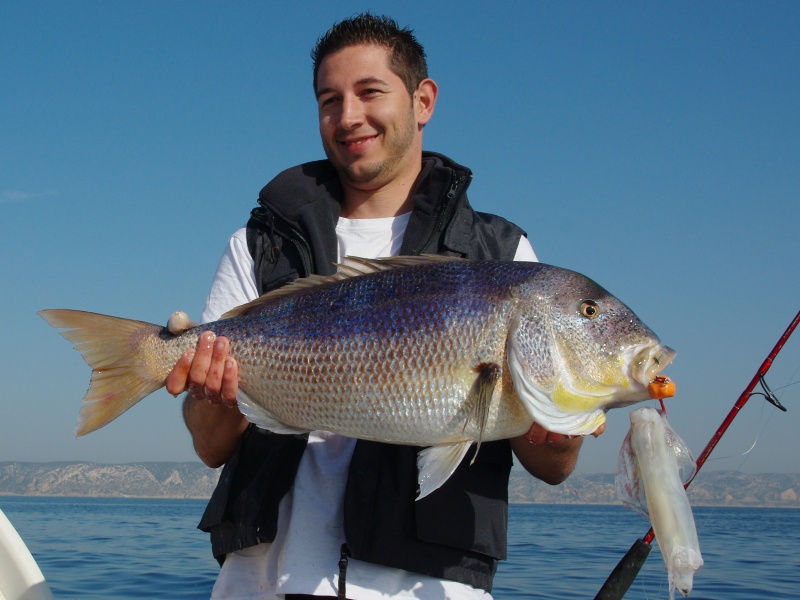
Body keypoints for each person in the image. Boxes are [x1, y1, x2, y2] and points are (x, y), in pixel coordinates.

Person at [166, 13, 601, 600]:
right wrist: (209, 391)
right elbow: (210, 446)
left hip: (422, 586)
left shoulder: (501, 256)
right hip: (259, 580)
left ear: (423, 100)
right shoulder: (256, 247)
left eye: (370, 92)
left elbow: (553, 467)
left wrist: (561, 432)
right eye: (329, 99)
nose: (348, 117)